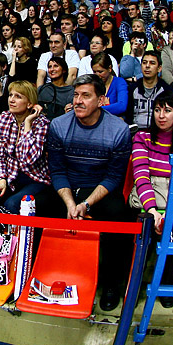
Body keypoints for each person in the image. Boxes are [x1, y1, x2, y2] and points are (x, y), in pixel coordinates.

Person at [46, 74, 133, 312]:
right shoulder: (58, 125)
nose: (78, 101)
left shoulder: (119, 129)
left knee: (119, 217)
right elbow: (57, 170)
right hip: (66, 187)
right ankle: (42, 276)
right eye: (76, 95)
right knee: (38, 207)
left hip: (99, 189)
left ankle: (112, 284)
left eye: (86, 96)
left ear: (101, 100)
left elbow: (114, 177)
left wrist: (86, 204)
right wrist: (70, 203)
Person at [131, 93, 173, 308]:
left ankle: (167, 286)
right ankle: (134, 286)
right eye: (158, 110)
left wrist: (168, 212)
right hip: (147, 196)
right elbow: (141, 174)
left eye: (167, 110)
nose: (161, 115)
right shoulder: (142, 137)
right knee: (145, 228)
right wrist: (152, 210)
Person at [0, 81, 51, 214]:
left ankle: (15, 235)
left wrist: (27, 124)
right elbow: (0, 156)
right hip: (11, 177)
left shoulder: (42, 124)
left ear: (30, 103)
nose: (11, 100)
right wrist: (2, 180)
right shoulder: (4, 118)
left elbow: (28, 158)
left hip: (35, 178)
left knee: (12, 204)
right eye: (10, 95)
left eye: (18, 97)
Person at [125, 50, 173, 130]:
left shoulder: (166, 90)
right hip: (136, 133)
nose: (147, 66)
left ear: (159, 68)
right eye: (144, 62)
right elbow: (128, 116)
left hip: (158, 132)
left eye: (152, 63)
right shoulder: (132, 89)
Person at [37, 56, 74, 120]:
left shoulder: (71, 91)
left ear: (64, 70)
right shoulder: (42, 89)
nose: (52, 69)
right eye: (50, 67)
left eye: (56, 66)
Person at [91, 52, 128, 117]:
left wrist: (97, 109)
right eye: (94, 72)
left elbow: (122, 106)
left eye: (100, 72)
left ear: (109, 68)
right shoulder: (92, 84)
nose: (97, 75)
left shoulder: (119, 82)